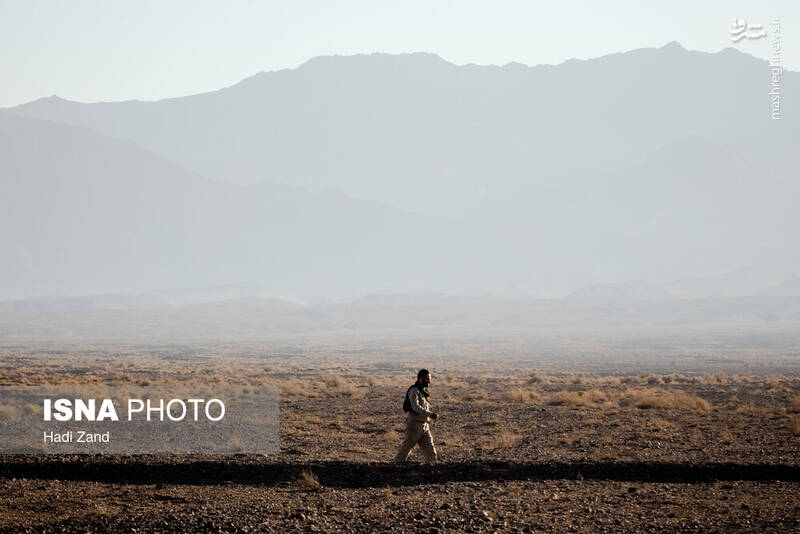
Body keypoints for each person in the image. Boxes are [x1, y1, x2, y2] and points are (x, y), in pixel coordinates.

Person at [394, 368, 438, 463]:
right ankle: (392, 468)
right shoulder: (414, 391)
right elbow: (415, 407)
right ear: (421, 379)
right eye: (426, 379)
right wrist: (430, 414)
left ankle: (431, 472)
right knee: (404, 451)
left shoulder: (422, 392)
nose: (428, 381)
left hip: (424, 426)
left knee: (431, 453)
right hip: (414, 426)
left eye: (429, 378)